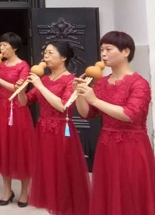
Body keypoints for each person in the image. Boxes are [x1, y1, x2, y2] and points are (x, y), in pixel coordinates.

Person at [75, 31, 155, 215]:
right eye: (102, 49)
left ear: (126, 51)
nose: (103, 54)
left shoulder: (139, 83)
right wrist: (79, 94)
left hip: (132, 147)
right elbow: (88, 114)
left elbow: (130, 114)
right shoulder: (102, 82)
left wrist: (94, 99)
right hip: (106, 146)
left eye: (109, 49)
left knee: (131, 194)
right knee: (109, 193)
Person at [16, 40, 90, 214]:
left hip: (62, 132)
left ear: (63, 57)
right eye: (45, 53)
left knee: (62, 175)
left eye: (50, 53)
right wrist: (21, 90)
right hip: (43, 132)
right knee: (47, 174)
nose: (46, 57)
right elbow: (26, 101)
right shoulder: (44, 79)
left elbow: (63, 106)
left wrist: (40, 86)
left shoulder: (71, 80)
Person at [0, 32, 33, 206]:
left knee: (20, 149)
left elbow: (20, 89)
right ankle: (7, 190)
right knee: (4, 148)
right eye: (0, 45)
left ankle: (24, 191)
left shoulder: (23, 66)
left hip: (18, 109)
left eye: (5, 45)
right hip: (1, 109)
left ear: (15, 47)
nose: (1, 48)